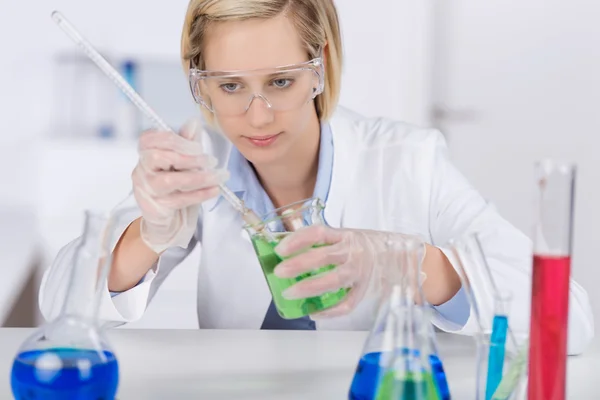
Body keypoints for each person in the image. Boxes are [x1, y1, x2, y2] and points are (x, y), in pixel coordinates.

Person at [39, 0, 593, 354]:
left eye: (280, 81)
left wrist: (406, 263)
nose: (256, 116)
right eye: (229, 85)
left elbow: (566, 317)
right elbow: (59, 309)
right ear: (199, 84)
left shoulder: (409, 159)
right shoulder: (197, 161)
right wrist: (149, 235)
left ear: (320, 66)